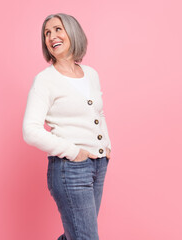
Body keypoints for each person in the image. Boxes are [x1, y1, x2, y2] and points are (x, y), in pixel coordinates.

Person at [22, 13, 112, 240]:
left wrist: (106, 147)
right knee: (86, 237)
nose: (52, 36)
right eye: (47, 33)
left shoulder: (91, 74)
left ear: (73, 32)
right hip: (70, 169)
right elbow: (30, 130)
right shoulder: (45, 80)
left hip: (98, 166)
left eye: (57, 29)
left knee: (77, 235)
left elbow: (98, 113)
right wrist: (74, 152)